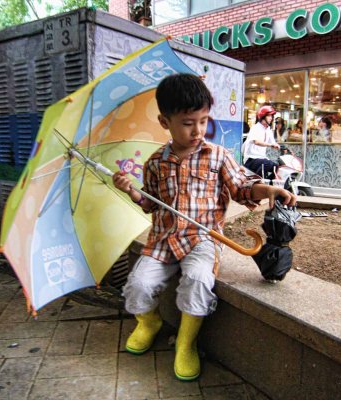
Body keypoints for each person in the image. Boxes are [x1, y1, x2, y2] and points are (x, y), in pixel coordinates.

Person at [112, 74, 296, 381]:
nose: (198, 129)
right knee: (139, 284)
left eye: (203, 120)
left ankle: (185, 344)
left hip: (203, 239)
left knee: (198, 280)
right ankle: (149, 323)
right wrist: (131, 192)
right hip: (163, 240)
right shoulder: (155, 163)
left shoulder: (218, 156)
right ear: (164, 121)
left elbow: (243, 188)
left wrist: (270, 191)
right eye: (187, 122)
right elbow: (151, 203)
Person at [243, 105, 280, 180]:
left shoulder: (268, 130)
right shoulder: (255, 128)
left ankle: (268, 184)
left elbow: (273, 143)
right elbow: (256, 142)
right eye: (269, 116)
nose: (271, 118)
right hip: (251, 159)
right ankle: (257, 183)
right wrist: (270, 145)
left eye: (271, 116)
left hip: (261, 159)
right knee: (266, 163)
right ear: (263, 116)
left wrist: (282, 148)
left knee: (278, 168)